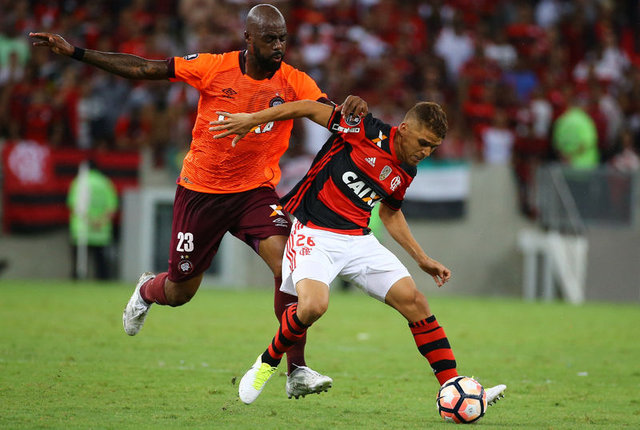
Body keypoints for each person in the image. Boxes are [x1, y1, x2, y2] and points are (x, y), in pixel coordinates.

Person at [30, 4, 367, 399]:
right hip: (201, 192)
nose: (279, 46)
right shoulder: (214, 67)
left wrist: (353, 110)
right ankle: (147, 290)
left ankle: (296, 370)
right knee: (180, 292)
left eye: (282, 38)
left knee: (289, 265)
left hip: (254, 193)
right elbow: (145, 68)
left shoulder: (295, 81)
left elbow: (332, 116)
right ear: (248, 38)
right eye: (269, 38)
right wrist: (76, 52)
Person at [210, 100, 507, 406]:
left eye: (433, 147)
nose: (426, 152)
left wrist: (421, 258)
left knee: (415, 301)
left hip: (359, 241)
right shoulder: (363, 128)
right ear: (404, 129)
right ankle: (266, 363)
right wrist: (252, 119)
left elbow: (390, 213)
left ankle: (453, 386)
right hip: (314, 233)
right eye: (423, 142)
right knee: (313, 306)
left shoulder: (407, 169)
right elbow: (308, 107)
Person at [67, 159, 119, 280]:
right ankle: (103, 283)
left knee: (78, 262)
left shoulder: (79, 182)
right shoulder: (105, 182)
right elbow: (112, 207)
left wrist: (89, 221)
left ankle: (76, 281)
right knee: (100, 263)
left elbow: (75, 206)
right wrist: (99, 221)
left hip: (82, 229)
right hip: (100, 231)